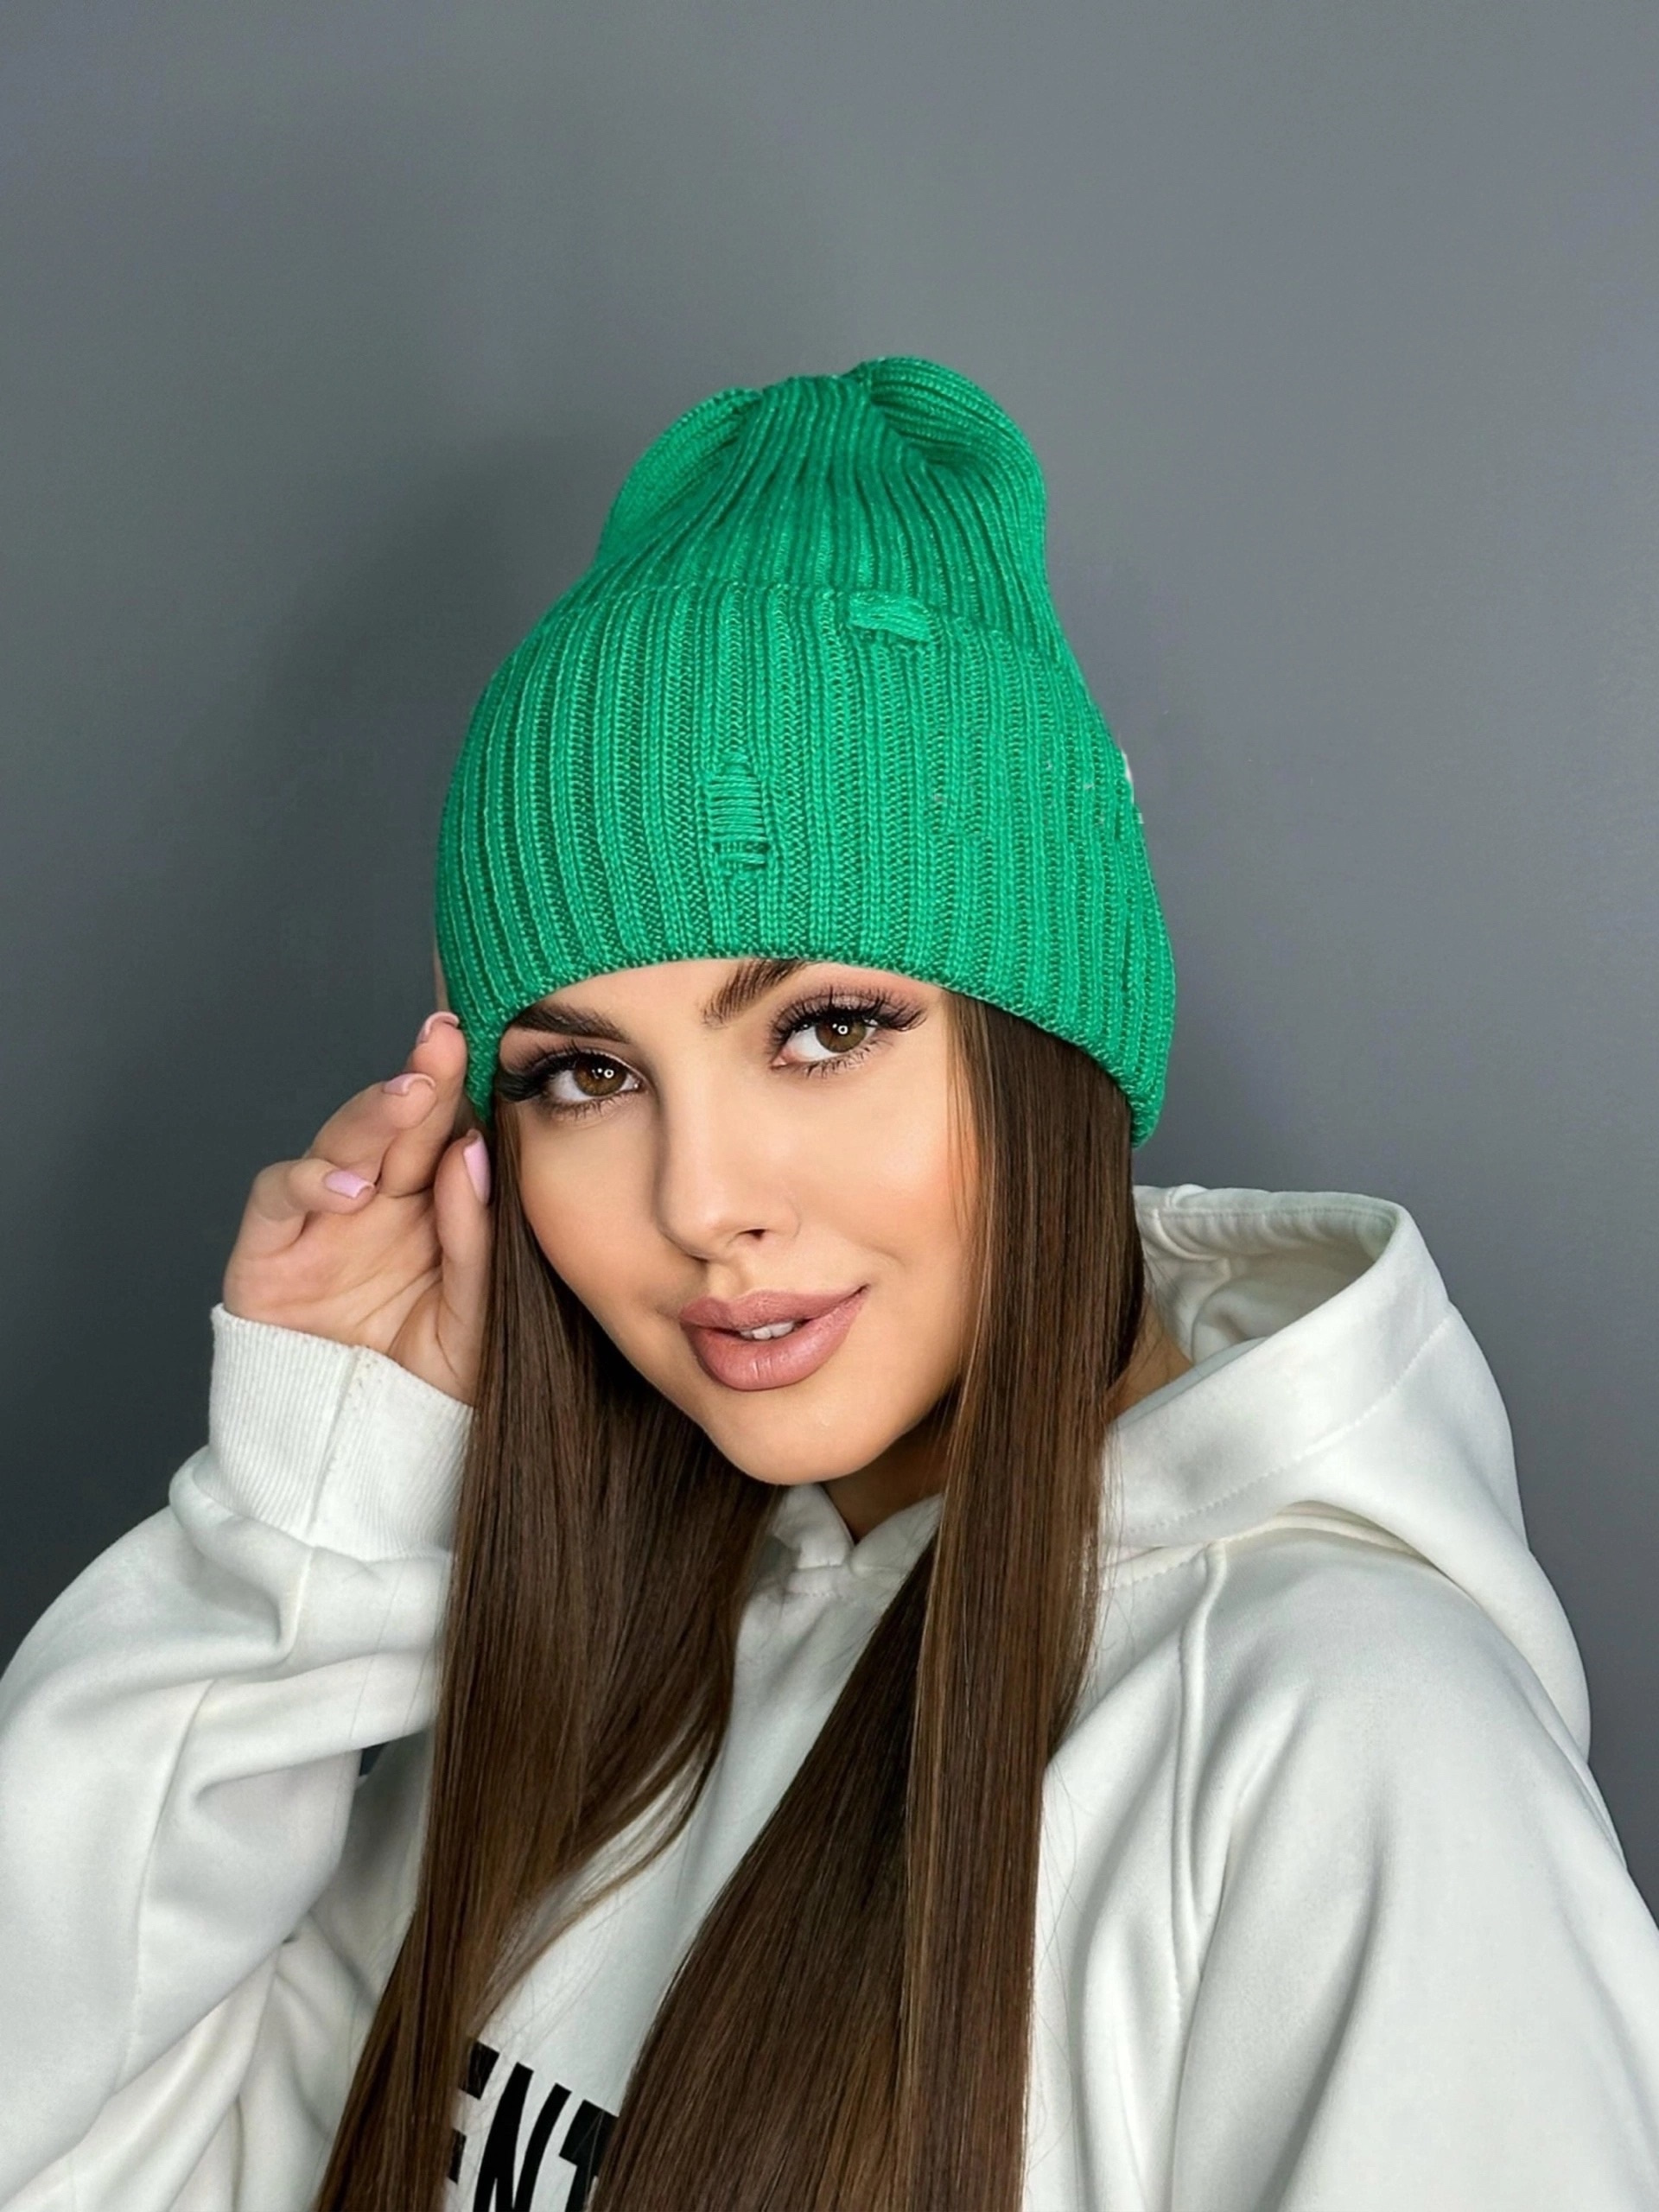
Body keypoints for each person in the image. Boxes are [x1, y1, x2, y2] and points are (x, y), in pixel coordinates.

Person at [2, 357, 1657, 2212]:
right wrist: (301, 1526)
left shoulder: (1346, 1738)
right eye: (586, 1076)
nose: (703, 1204)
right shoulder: (602, 1675)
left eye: (827, 1027)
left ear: (1049, 1049)